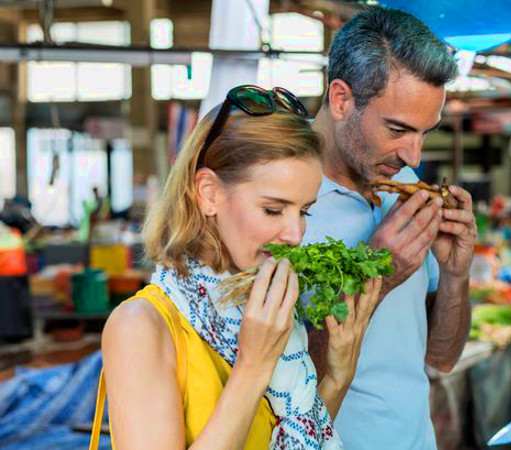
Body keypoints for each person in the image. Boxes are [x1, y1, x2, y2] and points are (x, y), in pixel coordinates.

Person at [95, 85, 382, 450]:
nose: (295, 233)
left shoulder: (262, 306)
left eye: (304, 210)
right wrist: (253, 366)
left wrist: (338, 378)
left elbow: (290, 437)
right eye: (273, 210)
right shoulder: (140, 326)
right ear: (209, 193)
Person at [303, 7, 475, 450]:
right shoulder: (278, 201)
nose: (414, 156)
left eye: (425, 132)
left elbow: (441, 357)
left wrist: (456, 274)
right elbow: (273, 381)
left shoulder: (401, 185)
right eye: (397, 129)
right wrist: (375, 274)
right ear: (341, 100)